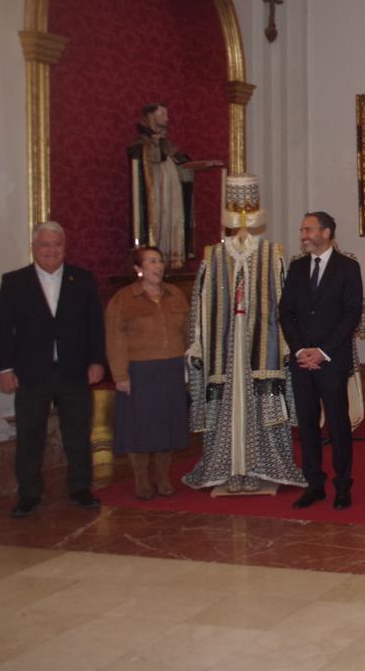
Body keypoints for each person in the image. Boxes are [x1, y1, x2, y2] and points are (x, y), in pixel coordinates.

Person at [183, 174, 306, 493]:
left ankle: (260, 465)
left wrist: (284, 342)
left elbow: (281, 301)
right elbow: (201, 302)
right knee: (228, 403)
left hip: (260, 343)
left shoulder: (271, 253)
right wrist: (197, 342)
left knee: (259, 401)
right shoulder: (214, 256)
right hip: (224, 344)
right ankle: (228, 466)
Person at [0, 222, 105, 516]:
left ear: (64, 247)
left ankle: (80, 488)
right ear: (34, 247)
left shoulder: (81, 279)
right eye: (45, 245)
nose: (51, 250)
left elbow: (95, 324)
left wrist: (96, 361)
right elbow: (3, 329)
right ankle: (28, 494)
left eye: (57, 245)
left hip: (74, 371)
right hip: (31, 373)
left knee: (77, 433)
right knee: (30, 435)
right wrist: (4, 369)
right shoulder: (15, 282)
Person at [279, 212, 364, 510]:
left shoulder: (348, 268)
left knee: (338, 425)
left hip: (332, 361)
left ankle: (343, 485)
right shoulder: (297, 267)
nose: (303, 235)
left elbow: (351, 314)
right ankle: (314, 483)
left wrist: (323, 351)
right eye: (302, 229)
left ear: (326, 232)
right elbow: (285, 312)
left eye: (308, 229)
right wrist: (301, 350)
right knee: (307, 424)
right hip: (302, 362)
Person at [105, 246, 191, 499]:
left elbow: (186, 334)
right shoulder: (123, 299)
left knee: (168, 427)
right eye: (152, 261)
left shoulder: (176, 294)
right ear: (138, 269)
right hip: (140, 370)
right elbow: (114, 338)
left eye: (161, 261)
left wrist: (187, 367)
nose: (158, 266)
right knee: (139, 429)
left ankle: (163, 478)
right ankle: (142, 480)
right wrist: (120, 375)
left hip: (171, 368)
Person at [127, 103, 194, 269]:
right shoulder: (141, 143)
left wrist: (192, 167)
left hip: (171, 192)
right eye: (162, 114)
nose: (167, 118)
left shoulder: (166, 144)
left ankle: (171, 255)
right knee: (158, 218)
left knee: (171, 216)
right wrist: (153, 147)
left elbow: (180, 161)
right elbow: (143, 162)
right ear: (151, 116)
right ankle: (155, 252)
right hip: (155, 191)